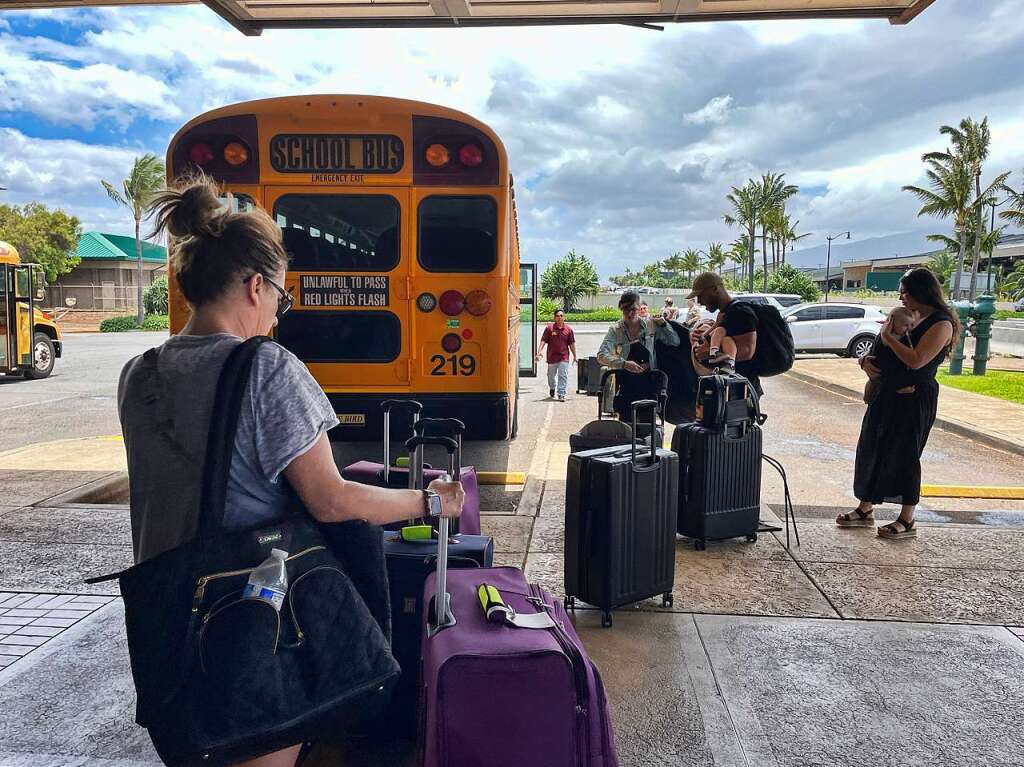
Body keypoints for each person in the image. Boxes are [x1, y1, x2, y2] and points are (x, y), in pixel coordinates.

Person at [118, 177, 464, 767]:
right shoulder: (267, 368)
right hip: (245, 616)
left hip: (164, 612)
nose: (279, 311)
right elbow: (330, 500)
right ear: (255, 285)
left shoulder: (138, 373)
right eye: (280, 294)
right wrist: (429, 503)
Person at [836, 268, 957, 540]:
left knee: (905, 455)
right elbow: (877, 349)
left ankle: (907, 518)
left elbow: (916, 360)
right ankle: (865, 508)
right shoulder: (903, 317)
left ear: (921, 291)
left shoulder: (941, 323)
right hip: (885, 394)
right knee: (871, 446)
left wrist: (890, 337)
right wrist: (864, 362)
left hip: (913, 398)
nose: (901, 297)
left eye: (905, 292)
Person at [597, 289, 680, 421]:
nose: (630, 314)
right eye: (625, 309)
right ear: (620, 308)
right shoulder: (616, 330)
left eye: (633, 309)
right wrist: (624, 364)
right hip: (626, 385)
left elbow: (674, 341)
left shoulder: (650, 325)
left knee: (648, 427)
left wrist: (664, 324)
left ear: (639, 308)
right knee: (626, 428)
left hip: (650, 383)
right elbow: (601, 355)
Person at [686, 272, 760, 392]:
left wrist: (709, 354)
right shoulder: (724, 313)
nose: (699, 301)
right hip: (726, 386)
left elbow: (747, 352)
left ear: (715, 289)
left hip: (742, 390)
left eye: (701, 295)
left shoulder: (740, 312)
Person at [862, 306, 917, 404]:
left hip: (884, 366)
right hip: (881, 364)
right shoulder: (887, 335)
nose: (908, 328)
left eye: (912, 325)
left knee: (875, 382)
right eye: (905, 325)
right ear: (891, 323)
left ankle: (869, 397)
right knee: (878, 380)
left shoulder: (900, 335)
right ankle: (896, 388)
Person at [536, 309, 577, 401]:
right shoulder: (549, 328)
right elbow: (543, 341)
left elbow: (571, 344)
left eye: (561, 316)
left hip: (564, 357)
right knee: (551, 376)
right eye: (558, 316)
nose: (560, 317)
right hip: (552, 357)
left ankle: (561, 393)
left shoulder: (568, 330)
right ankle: (552, 387)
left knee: (563, 375)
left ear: (564, 317)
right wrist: (539, 352)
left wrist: (575, 356)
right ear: (554, 318)